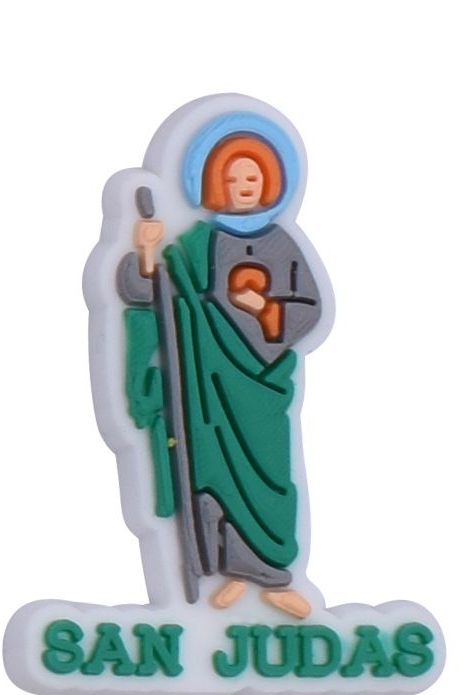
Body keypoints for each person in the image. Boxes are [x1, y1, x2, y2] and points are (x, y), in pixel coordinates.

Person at [117, 122, 323, 619]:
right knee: (213, 469)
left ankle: (273, 576)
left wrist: (265, 311)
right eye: (233, 179)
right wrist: (146, 253)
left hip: (260, 381)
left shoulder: (283, 244)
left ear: (270, 183)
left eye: (252, 178)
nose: (243, 187)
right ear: (215, 185)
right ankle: (231, 571)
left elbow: (309, 309)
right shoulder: (196, 243)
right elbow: (152, 295)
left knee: (270, 475)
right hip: (207, 383)